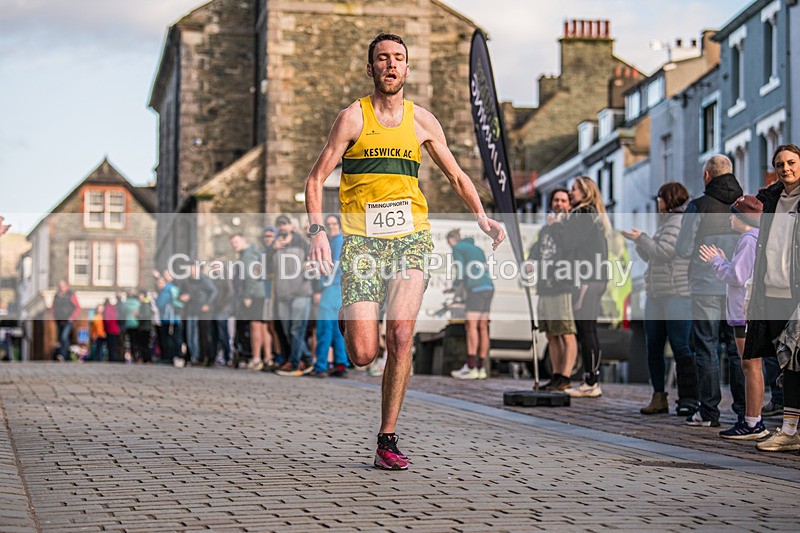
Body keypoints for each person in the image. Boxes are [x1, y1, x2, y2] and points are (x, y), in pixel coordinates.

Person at [304, 33, 505, 470]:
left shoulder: (423, 121)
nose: (391, 65)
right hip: (362, 242)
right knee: (363, 354)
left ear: (407, 69)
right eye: (382, 59)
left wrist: (482, 216)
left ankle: (387, 438)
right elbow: (315, 178)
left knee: (399, 336)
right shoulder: (352, 119)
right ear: (370, 68)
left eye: (398, 59)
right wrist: (318, 230)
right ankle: (352, 320)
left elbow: (455, 175)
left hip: (411, 236)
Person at [676, 155, 746, 427]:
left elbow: (682, 249)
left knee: (706, 348)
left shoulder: (698, 206)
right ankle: (744, 412)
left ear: (707, 176)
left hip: (706, 285)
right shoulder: (745, 205)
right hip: (738, 286)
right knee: (738, 350)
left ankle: (708, 413)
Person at [623, 182, 697, 415]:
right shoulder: (666, 223)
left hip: (676, 294)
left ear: (669, 199)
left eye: (659, 197)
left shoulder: (677, 222)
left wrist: (642, 237)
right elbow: (653, 256)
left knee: (680, 347)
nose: (657, 202)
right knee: (654, 346)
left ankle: (687, 398)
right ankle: (660, 396)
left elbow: (664, 252)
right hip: (658, 293)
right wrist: (640, 242)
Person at [746, 144, 800, 452]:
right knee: (788, 363)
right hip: (773, 292)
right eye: (780, 164)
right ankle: (790, 430)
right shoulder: (771, 200)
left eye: (791, 162)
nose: (786, 168)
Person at [699, 194, 766, 439]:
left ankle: (752, 422)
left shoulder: (748, 239)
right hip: (750, 310)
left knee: (750, 366)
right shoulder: (753, 238)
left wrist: (716, 261)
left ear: (743, 217)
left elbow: (737, 277)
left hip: (744, 312)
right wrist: (725, 261)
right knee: (752, 366)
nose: (729, 218)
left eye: (733, 213)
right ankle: (752, 420)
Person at [548, 176, 610, 398]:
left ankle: (591, 381)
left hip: (587, 279)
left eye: (574, 189)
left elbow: (567, 243)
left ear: (585, 192)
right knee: (588, 329)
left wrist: (555, 227)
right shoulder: (592, 214)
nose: (571, 192)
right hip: (594, 277)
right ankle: (591, 379)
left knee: (586, 330)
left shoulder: (583, 214)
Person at [528, 188, 579, 392]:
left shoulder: (569, 226)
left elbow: (568, 245)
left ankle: (566, 376)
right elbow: (536, 249)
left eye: (563, 200)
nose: (559, 204)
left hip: (562, 286)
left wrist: (557, 225)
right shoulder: (545, 228)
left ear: (569, 205)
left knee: (566, 332)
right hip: (545, 287)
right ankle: (556, 375)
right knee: (551, 334)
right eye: (556, 200)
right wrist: (531, 261)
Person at [446, 228, 494, 380]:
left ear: (452, 240)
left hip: (476, 289)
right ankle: (481, 368)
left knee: (471, 326)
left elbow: (460, 269)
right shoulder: (477, 248)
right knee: (482, 327)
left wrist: (455, 286)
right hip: (489, 287)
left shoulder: (458, 248)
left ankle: (471, 367)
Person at [272, 214, 314, 376]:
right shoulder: (273, 247)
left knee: (297, 329)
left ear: (290, 227)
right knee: (289, 330)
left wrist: (311, 277)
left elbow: (313, 265)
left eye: (284, 224)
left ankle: (295, 363)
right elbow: (266, 269)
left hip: (301, 292)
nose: (282, 227)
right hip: (283, 294)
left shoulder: (302, 243)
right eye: (279, 225)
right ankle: (308, 360)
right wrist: (272, 250)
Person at [308, 214, 349, 378]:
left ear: (339, 225)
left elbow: (331, 268)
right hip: (338, 289)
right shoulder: (336, 241)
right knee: (336, 329)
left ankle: (321, 366)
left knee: (325, 328)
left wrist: (319, 289)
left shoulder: (337, 242)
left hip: (331, 288)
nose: (331, 226)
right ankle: (340, 364)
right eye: (329, 224)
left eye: (334, 224)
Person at [230, 233, 271, 371]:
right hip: (261, 293)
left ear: (244, 240)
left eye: (236, 242)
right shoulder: (253, 252)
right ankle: (267, 358)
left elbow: (250, 276)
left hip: (254, 294)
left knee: (255, 326)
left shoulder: (247, 255)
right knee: (263, 326)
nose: (234, 245)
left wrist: (247, 295)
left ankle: (256, 358)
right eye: (232, 243)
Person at [52, 279, 81, 362]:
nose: (61, 288)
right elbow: (53, 307)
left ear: (66, 286)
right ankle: (65, 356)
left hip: (68, 320)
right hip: (59, 320)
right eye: (60, 286)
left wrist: (72, 317)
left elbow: (78, 307)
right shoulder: (56, 296)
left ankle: (62, 355)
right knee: (61, 339)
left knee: (64, 337)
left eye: (63, 286)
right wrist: (54, 316)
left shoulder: (71, 295)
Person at [103, 298, 121, 363]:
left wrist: (105, 329)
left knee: (111, 346)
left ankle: (112, 359)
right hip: (116, 329)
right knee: (115, 345)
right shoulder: (114, 308)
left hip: (110, 330)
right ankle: (115, 358)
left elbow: (107, 321)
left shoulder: (106, 309)